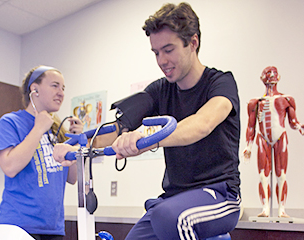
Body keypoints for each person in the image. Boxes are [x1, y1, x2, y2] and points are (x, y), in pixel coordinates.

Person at [54, 2, 241, 240]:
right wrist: (72, 146)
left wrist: (148, 140)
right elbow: (117, 129)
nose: (161, 60)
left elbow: (201, 124)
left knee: (172, 218)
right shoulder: (159, 90)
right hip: (173, 199)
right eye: (156, 52)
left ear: (193, 43)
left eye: (168, 49)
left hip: (220, 195)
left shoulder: (221, 83)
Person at [0, 65, 83, 240]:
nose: (61, 93)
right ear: (34, 89)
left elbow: (72, 178)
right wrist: (38, 128)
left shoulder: (57, 130)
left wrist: (75, 141)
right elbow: (10, 167)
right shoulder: (11, 122)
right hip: (18, 227)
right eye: (55, 85)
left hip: (53, 228)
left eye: (63, 88)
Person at [243, 66, 304, 218]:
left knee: (281, 175)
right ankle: (265, 209)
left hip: (280, 138)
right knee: (263, 175)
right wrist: (248, 146)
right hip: (263, 138)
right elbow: (251, 126)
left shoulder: (286, 100)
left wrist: (300, 127)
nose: (271, 76)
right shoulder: (255, 102)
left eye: (274, 73)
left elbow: (293, 121)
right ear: (262, 77)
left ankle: (281, 210)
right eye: (268, 73)